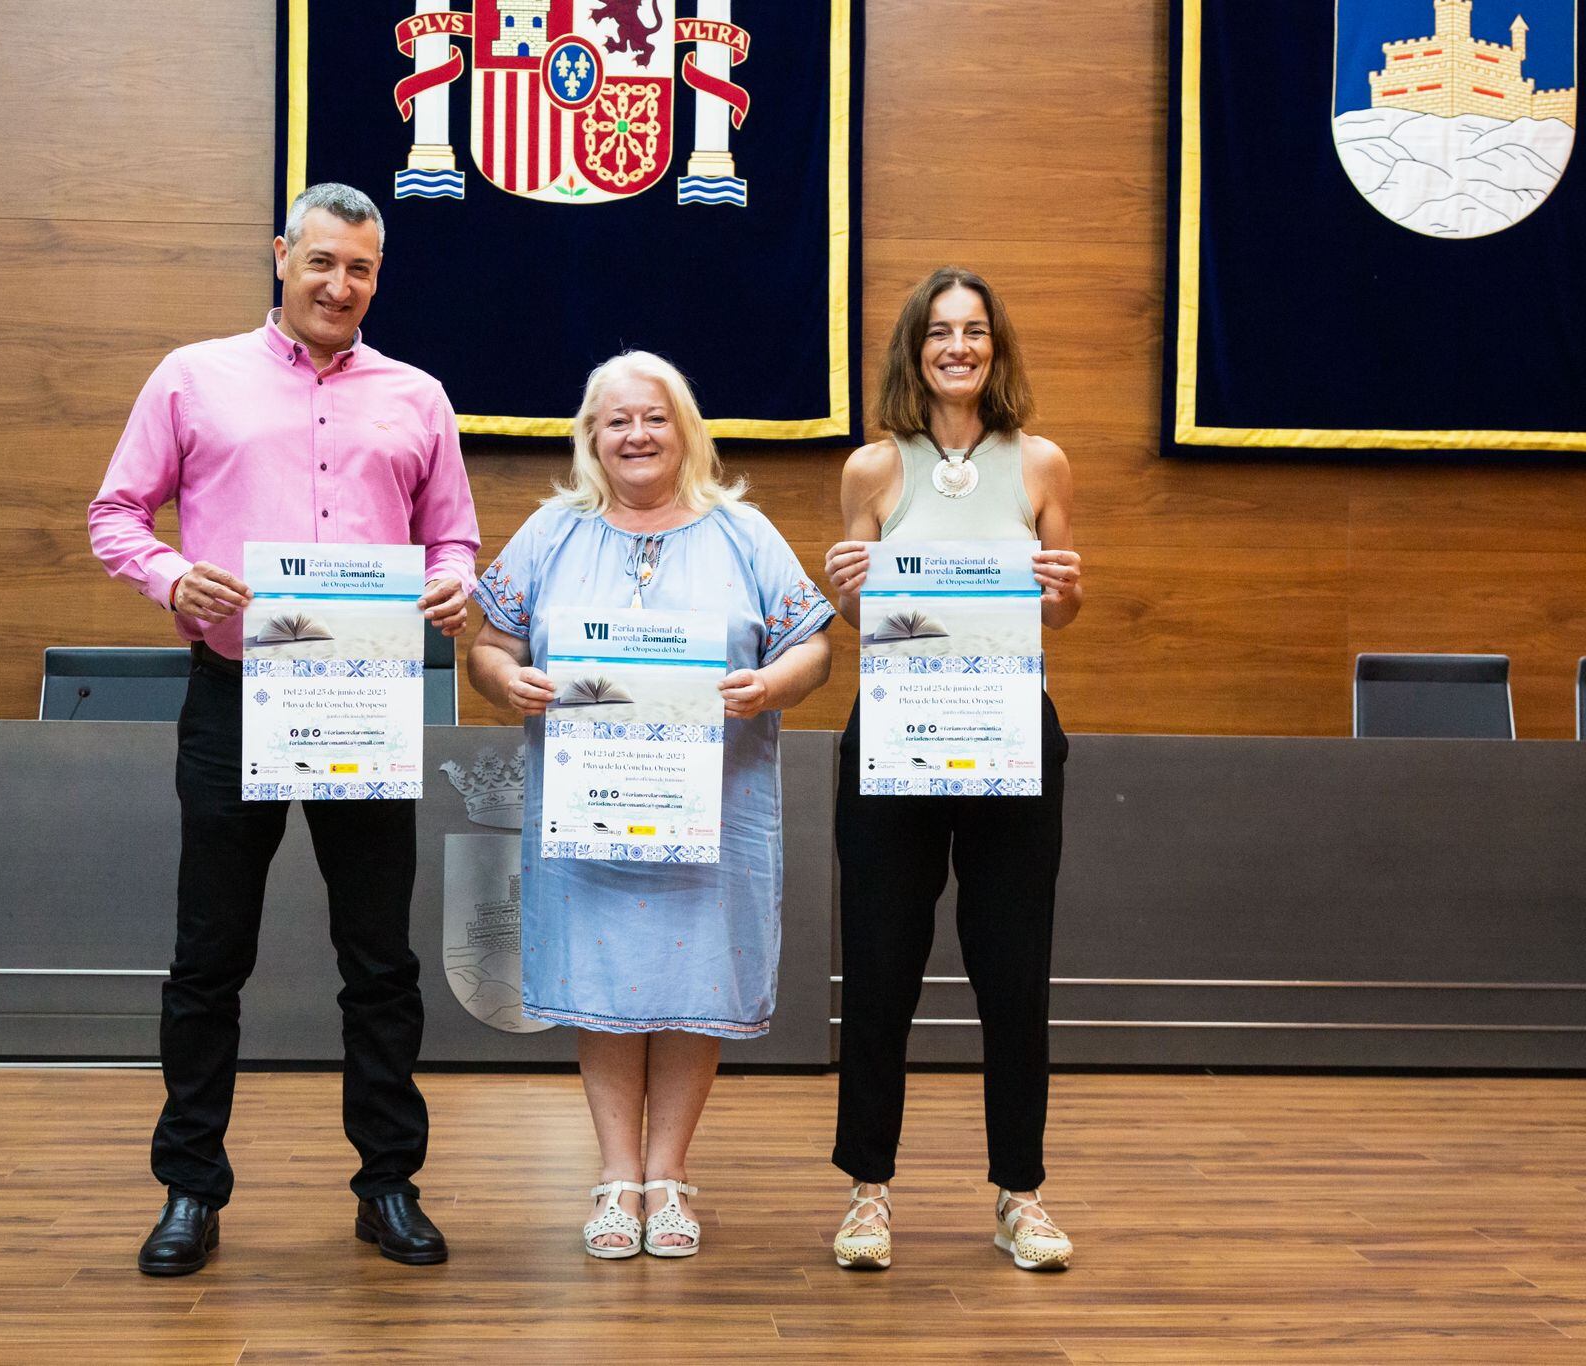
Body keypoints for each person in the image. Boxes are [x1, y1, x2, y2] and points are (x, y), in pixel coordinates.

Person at [88, 183, 480, 1274]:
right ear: (279, 256)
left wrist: (450, 589)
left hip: (363, 698)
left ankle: (388, 1185)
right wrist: (172, 578)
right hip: (233, 695)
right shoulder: (190, 376)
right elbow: (115, 515)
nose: (337, 284)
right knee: (209, 956)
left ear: (375, 275)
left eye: (357, 268)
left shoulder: (417, 395)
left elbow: (451, 539)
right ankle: (188, 1191)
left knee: (379, 959)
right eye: (319, 261)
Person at [467, 352, 833, 1260]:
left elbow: (814, 645)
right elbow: (488, 641)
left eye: (655, 417)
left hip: (716, 810)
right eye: (617, 419)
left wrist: (767, 686)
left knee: (691, 981)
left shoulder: (743, 532)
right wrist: (509, 681)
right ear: (592, 435)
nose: (637, 434)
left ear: (686, 429)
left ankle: (668, 1176)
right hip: (590, 814)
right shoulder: (553, 531)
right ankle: (615, 1176)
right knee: (605, 985)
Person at [822, 268, 1084, 1272]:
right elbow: (856, 610)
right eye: (940, 331)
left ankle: (1019, 1195)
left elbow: (1058, 606)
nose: (957, 346)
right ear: (914, 348)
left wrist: (1066, 589)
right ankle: (867, 1193)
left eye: (974, 330)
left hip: (1010, 735)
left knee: (1012, 973)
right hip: (896, 736)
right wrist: (845, 585)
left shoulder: (1042, 463)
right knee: (881, 969)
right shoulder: (872, 468)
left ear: (995, 347)